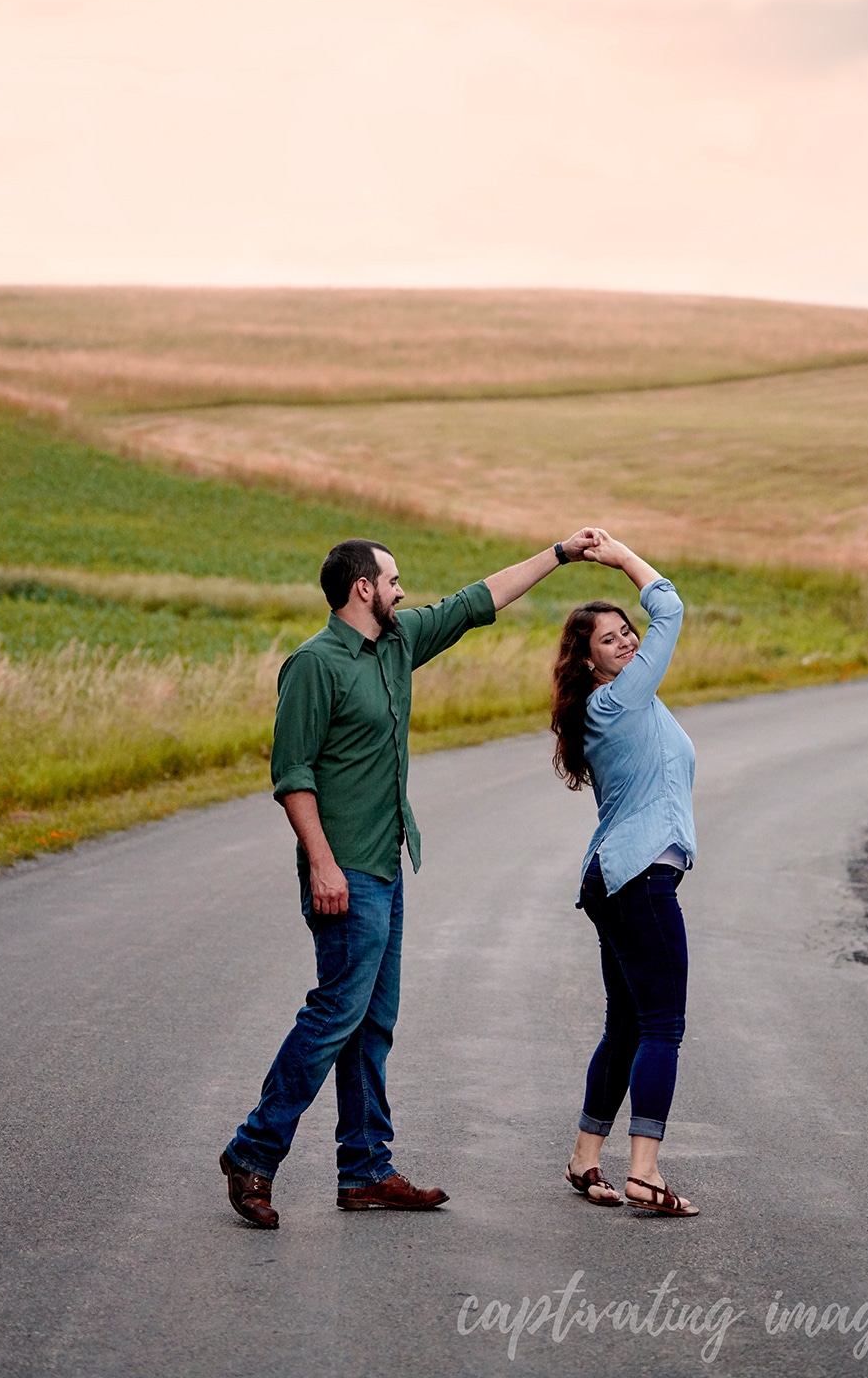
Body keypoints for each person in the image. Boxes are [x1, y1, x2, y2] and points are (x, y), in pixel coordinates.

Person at [221, 527, 602, 1229]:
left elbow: (477, 600)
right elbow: (293, 776)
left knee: (372, 1025)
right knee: (337, 1012)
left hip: (385, 865)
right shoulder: (313, 665)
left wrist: (558, 554)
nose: (403, 591)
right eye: (393, 581)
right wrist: (323, 865)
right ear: (362, 588)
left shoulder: (397, 644)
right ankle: (253, 1151)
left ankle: (365, 1170)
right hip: (343, 873)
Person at [549, 530, 700, 1217]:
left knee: (628, 1025)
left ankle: (586, 1159)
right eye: (610, 639)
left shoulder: (622, 704)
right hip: (637, 881)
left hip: (617, 878)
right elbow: (669, 609)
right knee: (663, 1024)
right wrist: (622, 558)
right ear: (588, 661)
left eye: (626, 632)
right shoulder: (616, 702)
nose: (629, 641)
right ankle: (645, 1172)